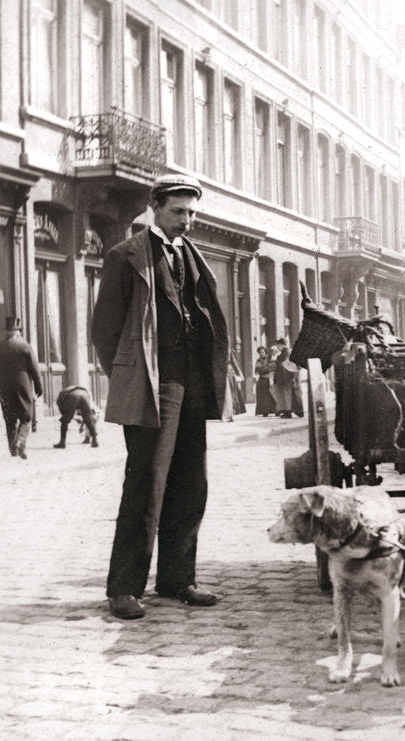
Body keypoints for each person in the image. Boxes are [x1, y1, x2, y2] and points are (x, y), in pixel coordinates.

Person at [91, 173, 230, 620]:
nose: (186, 220)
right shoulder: (125, 255)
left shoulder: (192, 255)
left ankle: (177, 579)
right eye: (178, 211)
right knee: (146, 484)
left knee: (191, 483)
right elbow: (104, 331)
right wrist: (131, 375)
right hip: (153, 385)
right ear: (155, 208)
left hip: (192, 385)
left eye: (191, 213)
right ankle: (124, 588)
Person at [0, 316, 43, 459]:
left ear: (6, 332)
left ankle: (13, 450)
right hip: (23, 386)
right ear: (17, 333)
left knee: (9, 419)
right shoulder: (25, 347)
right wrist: (39, 387)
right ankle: (21, 441)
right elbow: (35, 369)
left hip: (4, 388)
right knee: (26, 416)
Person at [54, 384, 99, 448]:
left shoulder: (59, 401)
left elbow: (64, 413)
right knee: (89, 419)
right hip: (85, 394)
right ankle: (95, 441)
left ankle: (62, 442)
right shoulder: (68, 392)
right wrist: (75, 418)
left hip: (72, 396)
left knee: (64, 421)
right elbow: (89, 414)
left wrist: (70, 417)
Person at [253, 346, 277, 416]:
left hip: (270, 378)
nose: (261, 354)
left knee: (272, 395)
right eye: (260, 352)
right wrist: (266, 368)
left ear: (265, 352)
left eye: (263, 352)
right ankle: (264, 411)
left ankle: (276, 410)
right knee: (263, 396)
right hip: (262, 379)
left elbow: (273, 366)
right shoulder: (258, 361)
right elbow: (259, 370)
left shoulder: (269, 358)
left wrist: (265, 368)